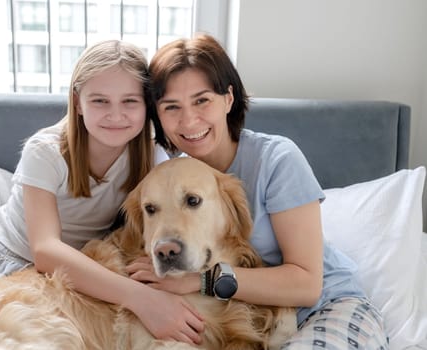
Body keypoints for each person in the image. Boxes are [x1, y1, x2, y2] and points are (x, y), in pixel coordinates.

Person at [0, 39, 206, 345]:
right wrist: (142, 298)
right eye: (100, 101)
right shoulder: (46, 151)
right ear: (78, 102)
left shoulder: (152, 156)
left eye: (130, 101)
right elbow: (44, 249)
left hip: (73, 275)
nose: (115, 115)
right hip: (3, 254)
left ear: (147, 105)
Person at [126, 34, 389, 349]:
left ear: (228, 98)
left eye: (202, 100)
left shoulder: (277, 159)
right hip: (247, 322)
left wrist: (201, 280)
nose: (188, 119)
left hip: (324, 307)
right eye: (171, 107)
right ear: (158, 117)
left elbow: (307, 285)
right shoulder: (164, 180)